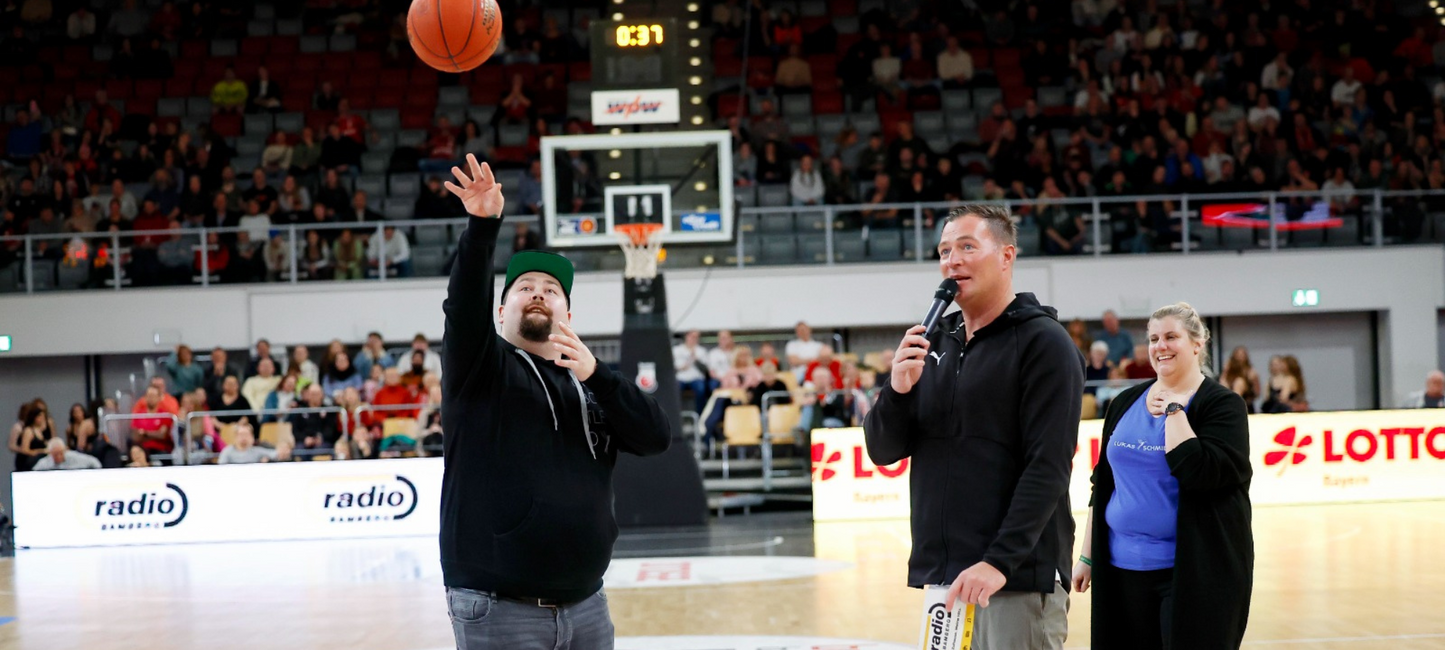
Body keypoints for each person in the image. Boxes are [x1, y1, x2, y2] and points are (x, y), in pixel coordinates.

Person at [438, 154, 672, 649]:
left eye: (551, 289)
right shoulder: (481, 367)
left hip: (588, 604)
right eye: (525, 287)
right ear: (502, 310)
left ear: (569, 311)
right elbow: (463, 305)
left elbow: (655, 438)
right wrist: (482, 226)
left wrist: (598, 375)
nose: (539, 293)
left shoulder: (591, 380)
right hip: (499, 606)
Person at [864, 204, 1082, 650]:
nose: (952, 260)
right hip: (945, 584)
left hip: (1012, 579)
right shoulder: (933, 342)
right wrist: (898, 389)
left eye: (967, 246)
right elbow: (883, 450)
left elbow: (1048, 466)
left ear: (1006, 256)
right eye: (944, 251)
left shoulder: (1045, 343)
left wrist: (998, 562)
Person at [1072, 302, 1254, 650]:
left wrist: (1175, 410)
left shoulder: (1222, 405)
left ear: (1198, 344)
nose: (1160, 346)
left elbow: (1200, 472)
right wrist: (1087, 556)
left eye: (1172, 336)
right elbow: (1104, 484)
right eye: (1154, 338)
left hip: (1194, 574)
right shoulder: (1125, 402)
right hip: (1120, 571)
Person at [1220, 346, 1262, 413]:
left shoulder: (1251, 372)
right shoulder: (1229, 373)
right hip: (1229, 404)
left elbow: (1257, 392)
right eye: (1238, 355)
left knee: (1239, 382)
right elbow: (1222, 386)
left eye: (1242, 355)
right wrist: (1225, 371)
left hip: (1245, 404)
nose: (1240, 357)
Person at [33, 437, 102, 471]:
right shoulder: (45, 463)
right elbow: (34, 472)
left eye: (60, 453)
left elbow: (95, 462)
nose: (59, 456)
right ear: (50, 453)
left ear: (65, 451)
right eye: (55, 454)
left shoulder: (74, 457)